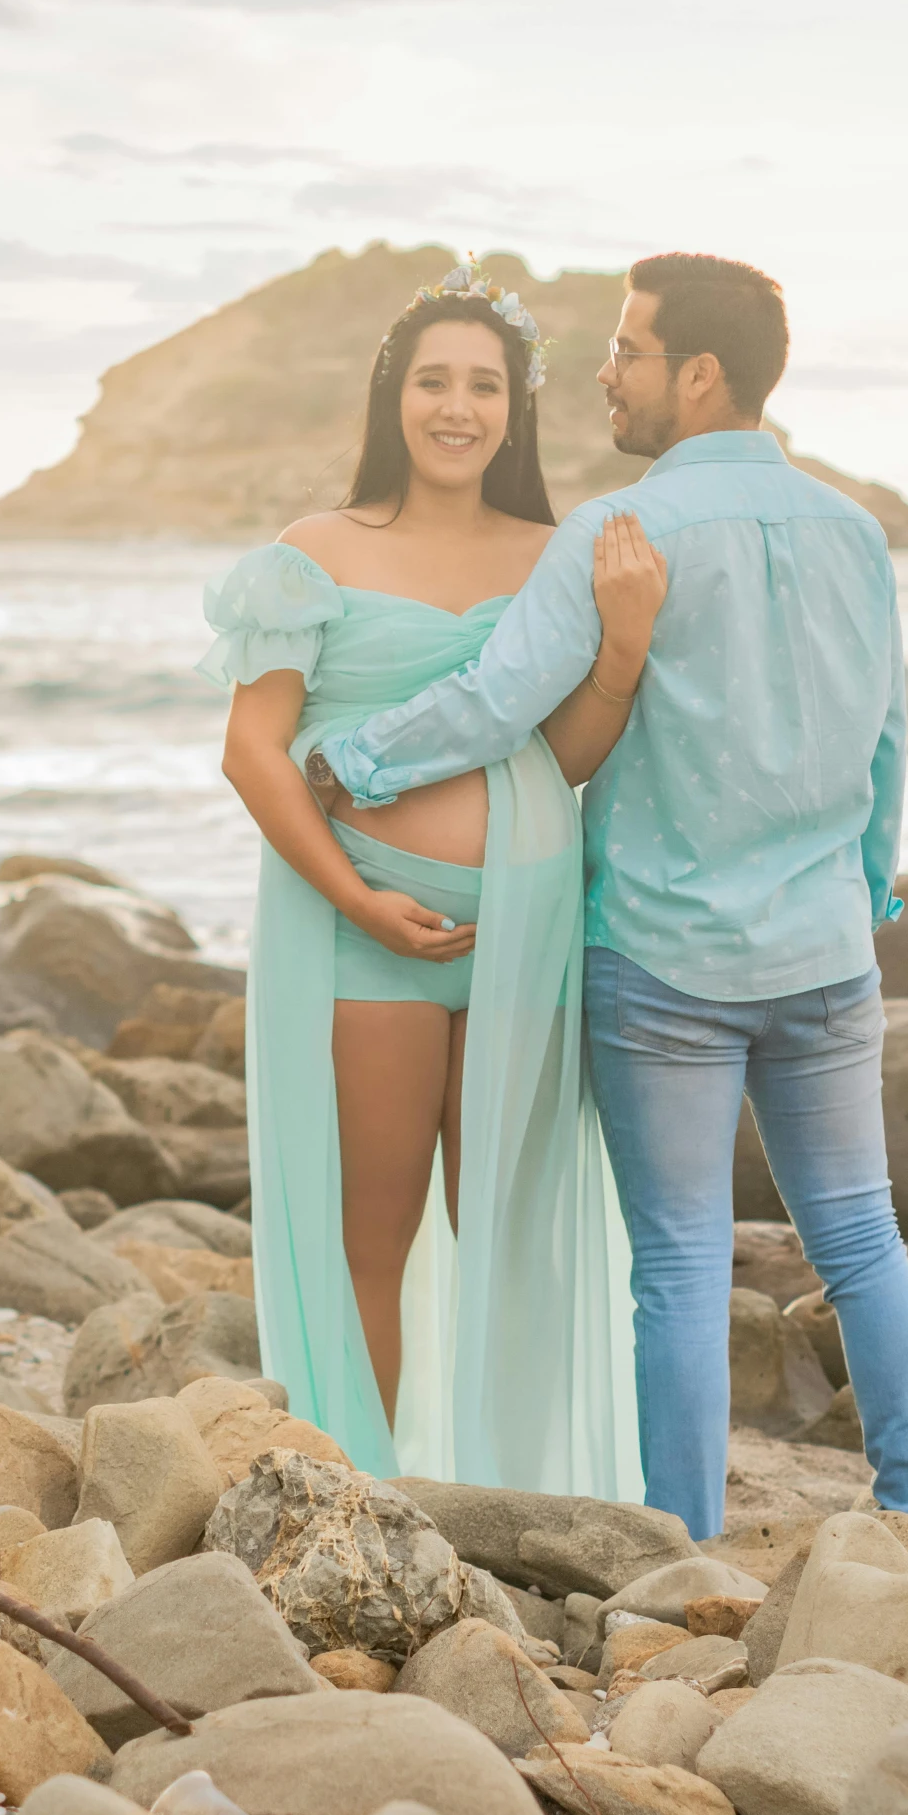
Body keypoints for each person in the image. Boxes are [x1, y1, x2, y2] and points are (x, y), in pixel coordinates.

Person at [312, 251, 908, 1546]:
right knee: (859, 1238)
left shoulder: (623, 533)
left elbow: (501, 696)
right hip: (825, 953)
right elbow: (886, 740)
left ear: (698, 374)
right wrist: (867, 883)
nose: (604, 372)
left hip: (664, 956)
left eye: (627, 350)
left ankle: (684, 1549)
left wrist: (352, 762)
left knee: (675, 1260)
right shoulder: (852, 533)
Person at [198, 259, 665, 1494]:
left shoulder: (554, 551)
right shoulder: (315, 549)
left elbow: (558, 757)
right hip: (361, 932)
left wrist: (619, 653)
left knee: (511, 1239)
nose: (457, 408)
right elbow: (254, 751)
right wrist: (358, 902)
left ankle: (509, 1503)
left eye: (485, 385)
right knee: (375, 1233)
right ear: (390, 397)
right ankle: (357, 1494)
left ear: (515, 408)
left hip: (526, 927)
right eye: (432, 382)